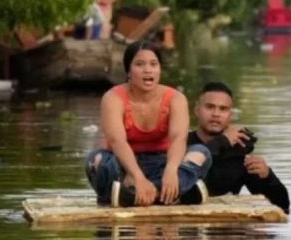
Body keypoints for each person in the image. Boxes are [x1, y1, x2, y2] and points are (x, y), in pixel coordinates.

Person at [85, 41, 211, 207]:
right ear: (128, 71)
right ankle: (175, 195)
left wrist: (172, 170)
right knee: (96, 159)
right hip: (124, 166)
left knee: (201, 153)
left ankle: (140, 195)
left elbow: (178, 139)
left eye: (153, 64)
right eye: (139, 64)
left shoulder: (176, 99)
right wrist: (136, 175)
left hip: (163, 164)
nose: (148, 70)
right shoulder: (113, 98)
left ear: (160, 69)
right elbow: (117, 142)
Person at [187, 82, 290, 214]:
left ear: (230, 115)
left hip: (226, 229)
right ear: (197, 110)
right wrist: (223, 141)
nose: (216, 114)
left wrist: (267, 176)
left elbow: (282, 206)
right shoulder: (180, 143)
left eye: (223, 109)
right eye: (210, 107)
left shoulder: (238, 152)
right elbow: (187, 166)